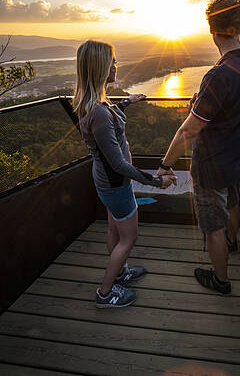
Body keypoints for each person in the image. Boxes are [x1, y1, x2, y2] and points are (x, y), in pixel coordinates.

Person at [157, 0, 240, 295]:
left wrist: (165, 165)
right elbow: (238, 107)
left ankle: (221, 280)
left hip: (211, 166)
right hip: (238, 160)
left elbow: (188, 131)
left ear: (211, 29)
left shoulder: (219, 75)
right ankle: (232, 244)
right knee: (232, 204)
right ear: (239, 26)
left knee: (212, 224)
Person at [73, 40, 177, 308]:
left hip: (105, 182)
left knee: (113, 227)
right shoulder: (99, 113)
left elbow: (107, 121)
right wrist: (155, 182)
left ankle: (121, 272)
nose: (116, 66)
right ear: (100, 68)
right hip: (116, 184)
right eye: (113, 62)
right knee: (129, 237)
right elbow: (118, 163)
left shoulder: (95, 105)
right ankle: (105, 293)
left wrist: (127, 102)